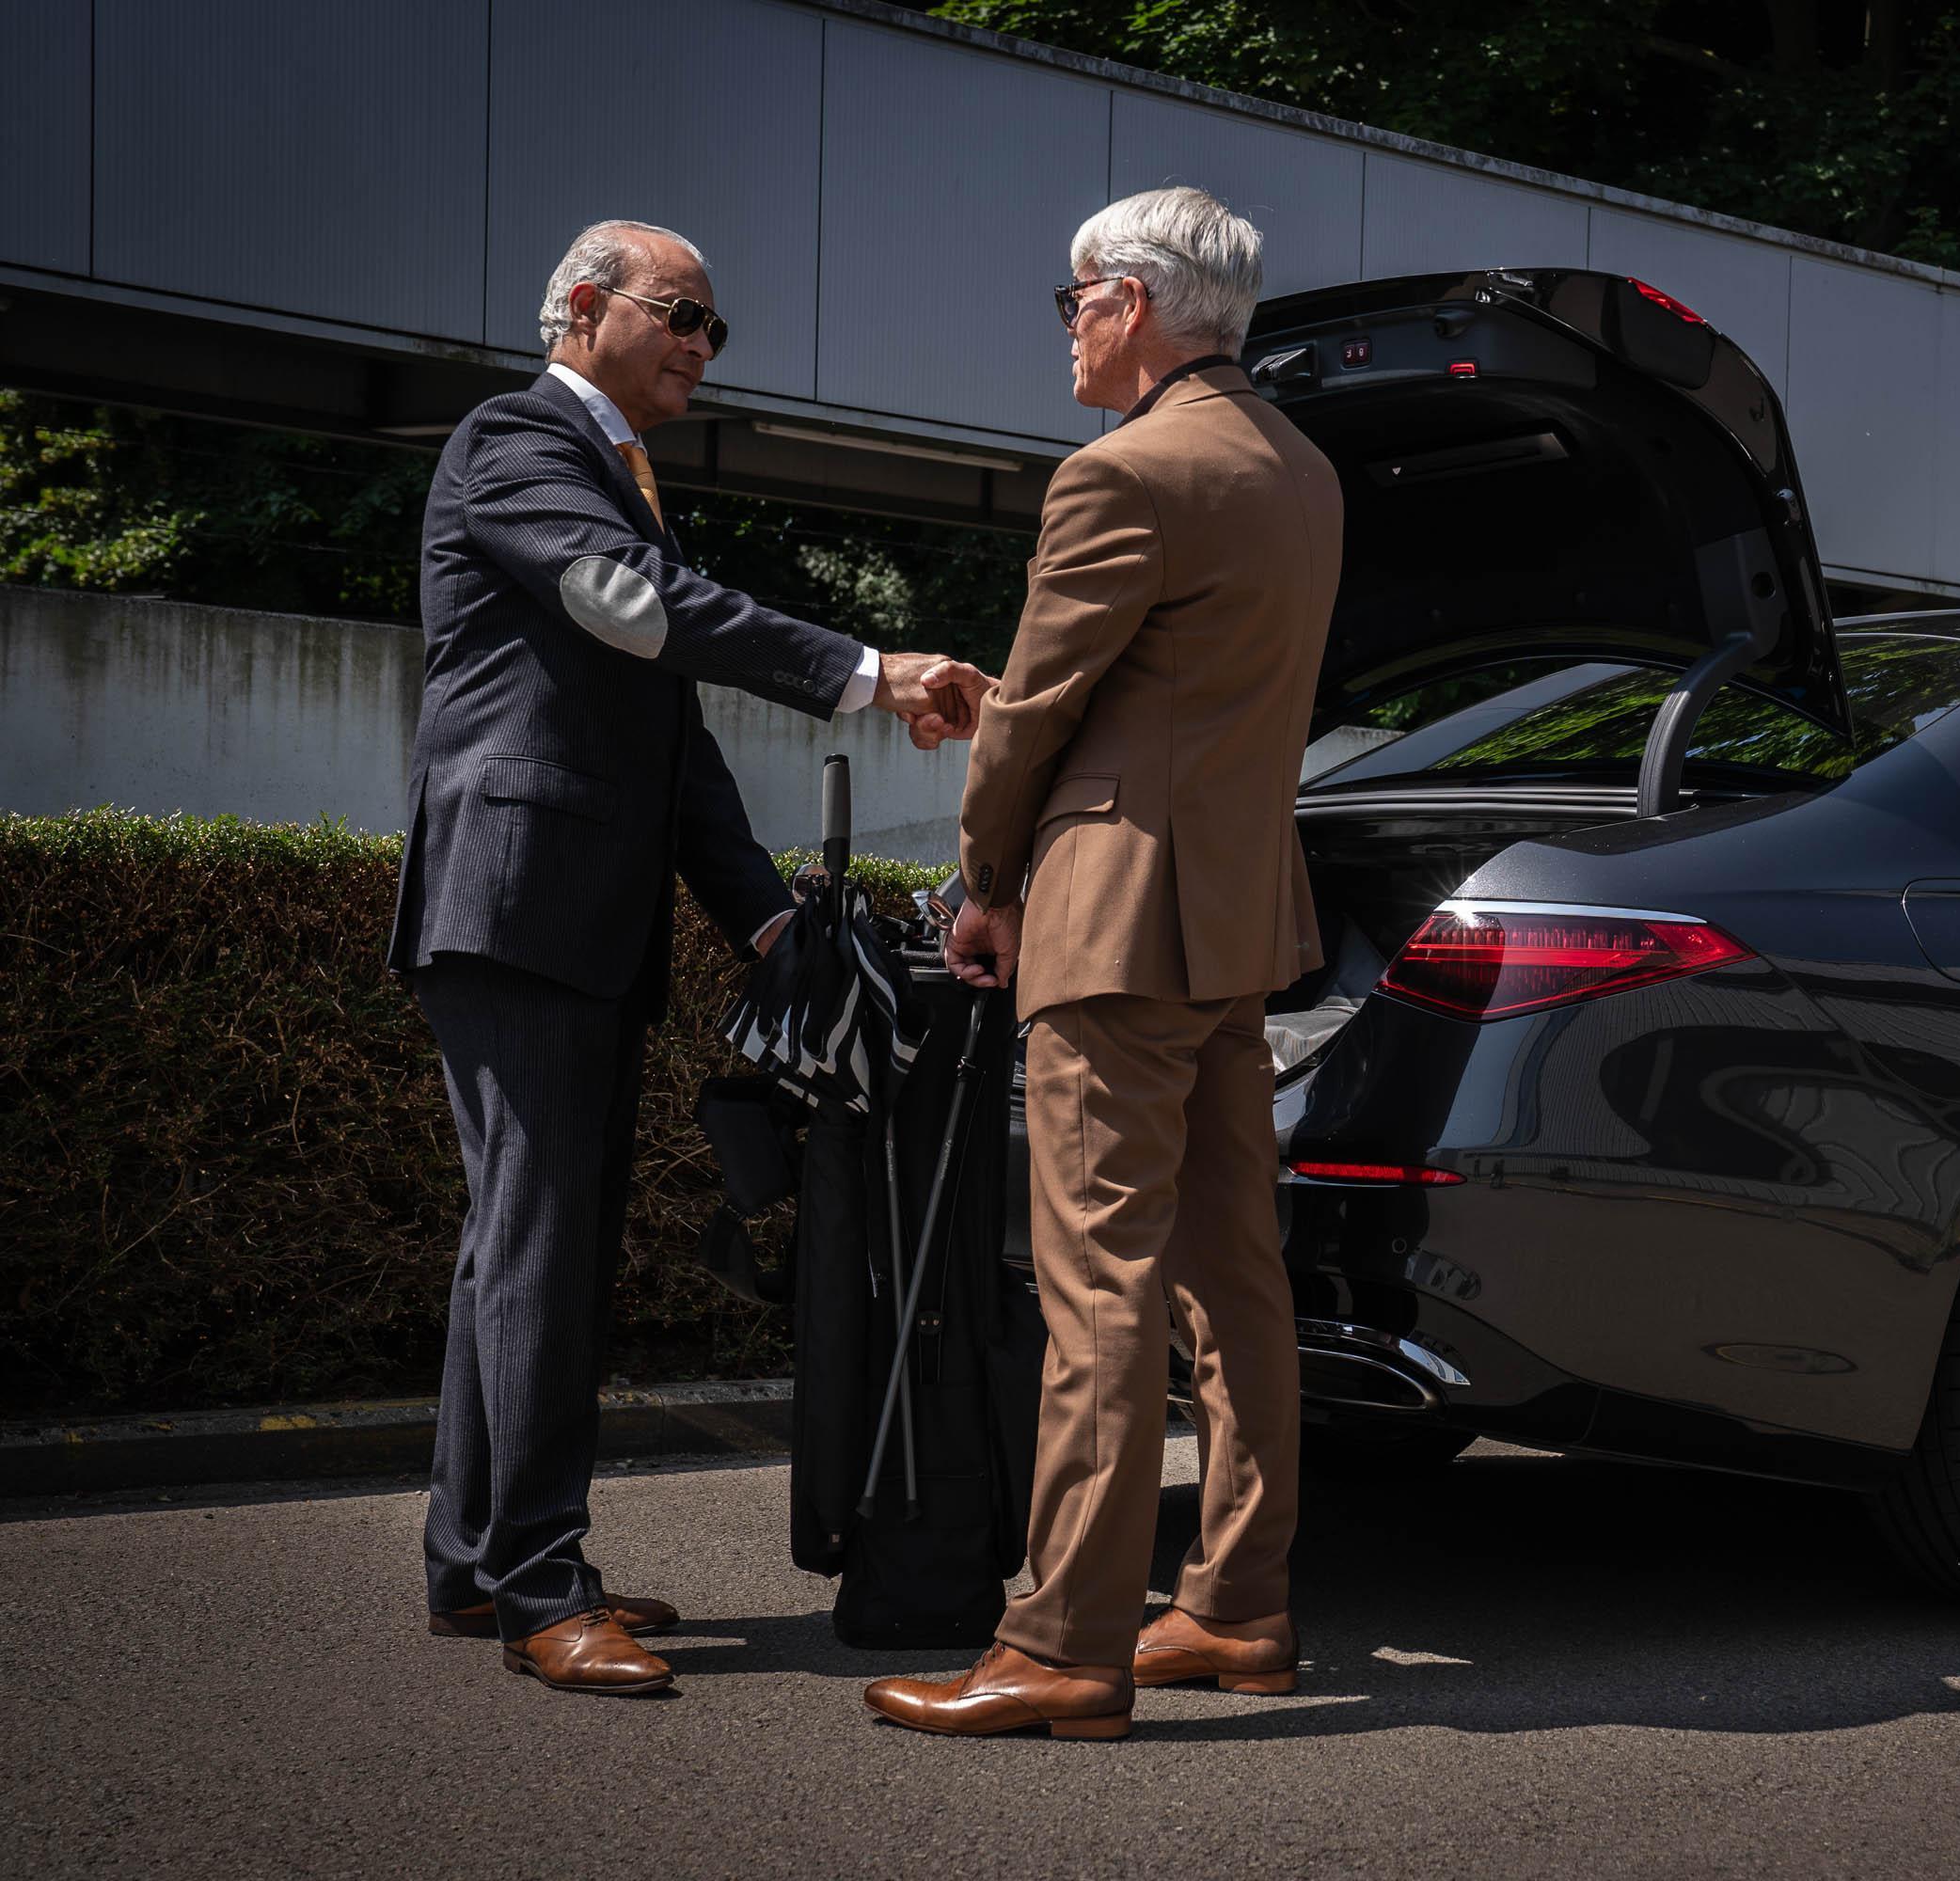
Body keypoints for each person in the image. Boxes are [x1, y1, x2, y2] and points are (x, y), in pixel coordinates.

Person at [387, 217, 989, 1698]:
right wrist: (872, 672)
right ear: (584, 307)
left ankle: (479, 1566)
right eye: (682, 315)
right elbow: (632, 610)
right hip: (517, 908)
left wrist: (771, 923)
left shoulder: (620, 481)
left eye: (716, 328)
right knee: (540, 1249)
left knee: (524, 1245)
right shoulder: (517, 440)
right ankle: (541, 1587)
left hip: (565, 920)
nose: (704, 348)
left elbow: (670, 741)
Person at [863, 187, 1344, 1739]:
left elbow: (1042, 716)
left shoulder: (1120, 473)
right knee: (1235, 1279)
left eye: (1073, 299)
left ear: (1131, 301)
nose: (1066, 326)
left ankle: (1066, 1643)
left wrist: (983, 883)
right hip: (1235, 927)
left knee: (1100, 1284)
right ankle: (1240, 1607)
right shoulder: (1303, 470)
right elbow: (1176, 698)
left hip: (1114, 920)